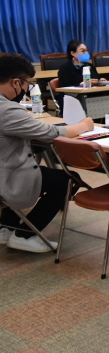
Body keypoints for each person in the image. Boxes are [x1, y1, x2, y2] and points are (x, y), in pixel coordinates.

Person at [0, 54, 95, 253]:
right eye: (27, 83)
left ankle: (7, 227)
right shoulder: (7, 110)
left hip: (4, 171)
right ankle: (25, 235)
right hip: (7, 176)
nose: (27, 89)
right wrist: (83, 126)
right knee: (68, 180)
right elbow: (50, 134)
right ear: (16, 82)